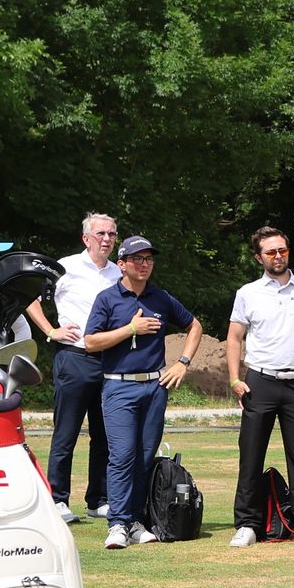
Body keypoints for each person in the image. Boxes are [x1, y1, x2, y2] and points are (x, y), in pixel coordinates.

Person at [81, 236, 203, 550]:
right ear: (121, 264)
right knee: (122, 456)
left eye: (148, 259)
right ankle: (118, 523)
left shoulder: (160, 298)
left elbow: (194, 326)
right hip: (119, 386)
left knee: (145, 458)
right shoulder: (107, 299)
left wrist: (182, 363)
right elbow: (90, 342)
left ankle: (135, 521)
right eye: (137, 259)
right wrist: (130, 330)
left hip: (154, 386)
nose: (144, 264)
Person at [224, 226, 294, 549]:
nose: (278, 256)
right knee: (251, 455)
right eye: (271, 252)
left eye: (282, 250)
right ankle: (247, 524)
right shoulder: (248, 293)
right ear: (259, 258)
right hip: (260, 381)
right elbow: (234, 337)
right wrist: (235, 379)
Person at [26, 212, 123, 524]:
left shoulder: (118, 273)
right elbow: (29, 298)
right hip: (74, 357)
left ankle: (99, 499)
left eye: (111, 234)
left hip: (110, 359)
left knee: (104, 434)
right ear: (86, 238)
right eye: (100, 234)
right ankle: (57, 499)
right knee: (66, 433)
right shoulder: (65, 267)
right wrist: (50, 330)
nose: (106, 239)